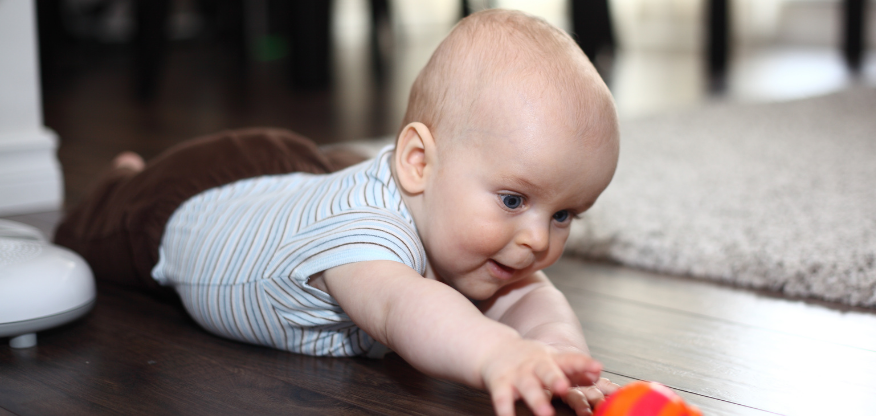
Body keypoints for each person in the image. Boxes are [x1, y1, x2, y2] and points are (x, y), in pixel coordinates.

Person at [56, 9, 620, 416]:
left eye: (564, 214)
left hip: (304, 175)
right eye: (514, 200)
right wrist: (498, 353)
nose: (537, 240)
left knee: (338, 174)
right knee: (96, 231)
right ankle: (124, 177)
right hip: (188, 198)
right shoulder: (365, 239)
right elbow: (406, 308)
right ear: (418, 162)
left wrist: (562, 354)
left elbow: (532, 297)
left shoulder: (472, 223)